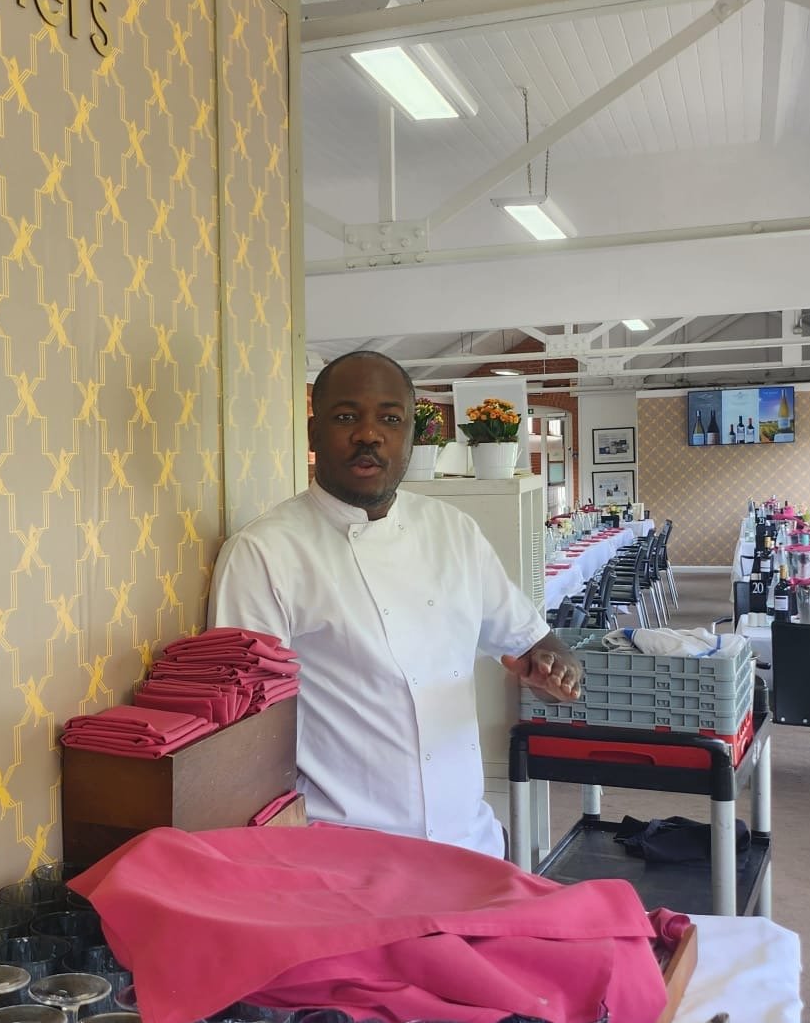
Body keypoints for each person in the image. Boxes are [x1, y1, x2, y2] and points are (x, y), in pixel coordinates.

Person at [209, 350, 582, 855]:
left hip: (469, 842)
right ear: (314, 433)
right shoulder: (264, 552)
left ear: (411, 435)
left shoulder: (455, 533)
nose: (369, 434)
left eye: (390, 418)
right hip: (342, 852)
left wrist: (553, 670)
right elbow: (243, 734)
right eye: (346, 417)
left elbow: (534, 641)